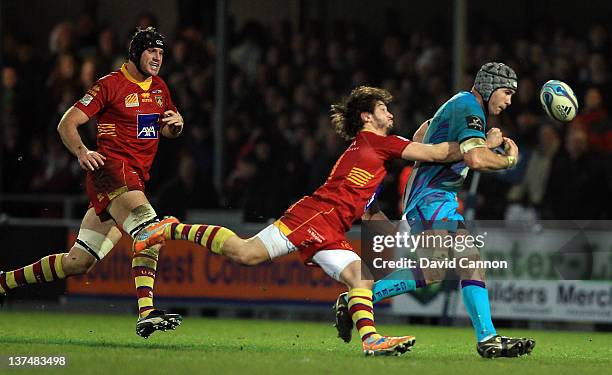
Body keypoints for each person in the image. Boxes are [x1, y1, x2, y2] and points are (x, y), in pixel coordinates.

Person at [133, 86, 463, 356]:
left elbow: (371, 204)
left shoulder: (366, 150)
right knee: (246, 254)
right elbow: (434, 154)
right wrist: (475, 146)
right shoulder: (377, 143)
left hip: (330, 226)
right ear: (367, 115)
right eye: (383, 108)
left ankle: (371, 340)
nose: (390, 114)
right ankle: (170, 227)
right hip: (315, 216)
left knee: (361, 280)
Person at [332, 62, 536, 358]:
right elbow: (476, 160)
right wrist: (508, 160)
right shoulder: (469, 106)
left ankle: (355, 298)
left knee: (436, 270)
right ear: (489, 86)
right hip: (432, 197)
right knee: (466, 262)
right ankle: (487, 338)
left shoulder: (458, 104)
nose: (508, 101)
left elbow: (420, 134)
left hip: (431, 196)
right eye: (506, 92)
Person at [0, 27, 182, 339]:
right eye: (151, 51)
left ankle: (4, 282)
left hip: (134, 179)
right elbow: (67, 123)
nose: (157, 58)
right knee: (151, 232)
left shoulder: (160, 88)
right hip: (111, 172)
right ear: (136, 53)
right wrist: (82, 152)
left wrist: (176, 126)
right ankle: (147, 312)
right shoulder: (110, 84)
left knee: (78, 262)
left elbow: (164, 128)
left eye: (161, 53)